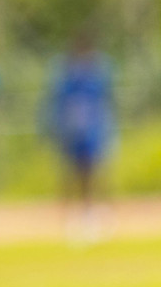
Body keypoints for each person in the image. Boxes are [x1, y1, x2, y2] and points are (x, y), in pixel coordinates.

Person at [43, 32, 115, 241]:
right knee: (70, 171)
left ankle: (92, 210)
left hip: (92, 128)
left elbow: (104, 100)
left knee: (93, 169)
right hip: (72, 128)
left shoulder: (96, 74)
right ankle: (67, 213)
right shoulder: (67, 75)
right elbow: (57, 101)